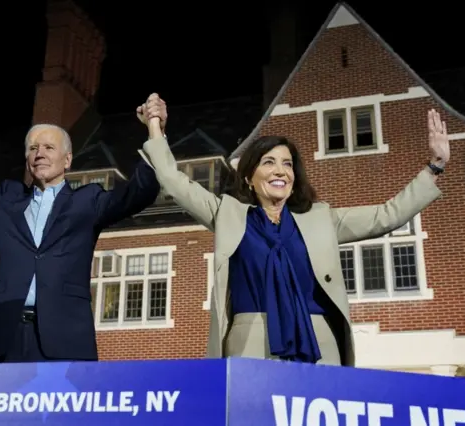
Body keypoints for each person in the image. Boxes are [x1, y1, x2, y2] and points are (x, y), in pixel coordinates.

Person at [137, 94, 449, 366]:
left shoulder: (321, 218)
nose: (280, 171)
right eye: (269, 162)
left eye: (287, 164)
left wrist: (435, 165)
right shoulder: (227, 214)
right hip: (250, 340)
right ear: (249, 177)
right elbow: (174, 182)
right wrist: (155, 126)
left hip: (318, 340)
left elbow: (387, 215)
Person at [0, 56, 162, 363]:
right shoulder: (3, 201)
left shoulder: (87, 202)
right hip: (4, 338)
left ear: (67, 160)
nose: (39, 154)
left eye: (49, 148)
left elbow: (141, 191)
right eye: (33, 148)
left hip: (64, 342)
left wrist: (155, 131)